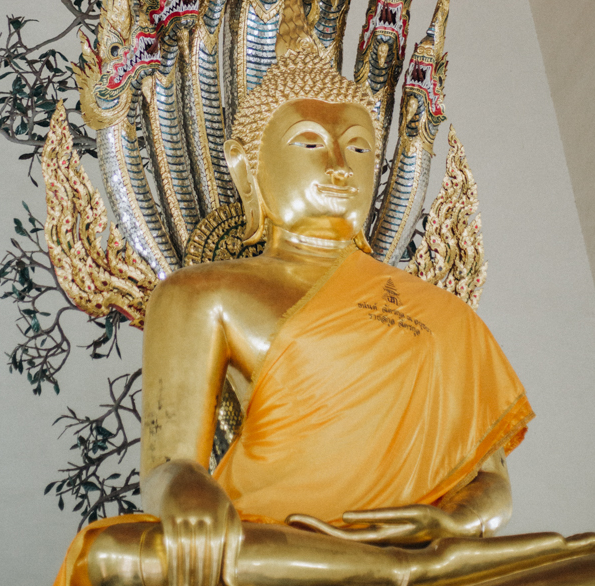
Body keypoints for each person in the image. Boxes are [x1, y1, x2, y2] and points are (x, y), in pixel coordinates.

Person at [54, 45, 595, 586]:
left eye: (359, 149)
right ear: (247, 164)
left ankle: (415, 563)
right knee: (117, 555)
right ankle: (408, 572)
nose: (339, 167)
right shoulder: (200, 293)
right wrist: (188, 492)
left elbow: (491, 481)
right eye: (310, 142)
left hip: (413, 541)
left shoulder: (444, 313)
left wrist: (455, 519)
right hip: (272, 539)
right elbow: (170, 463)